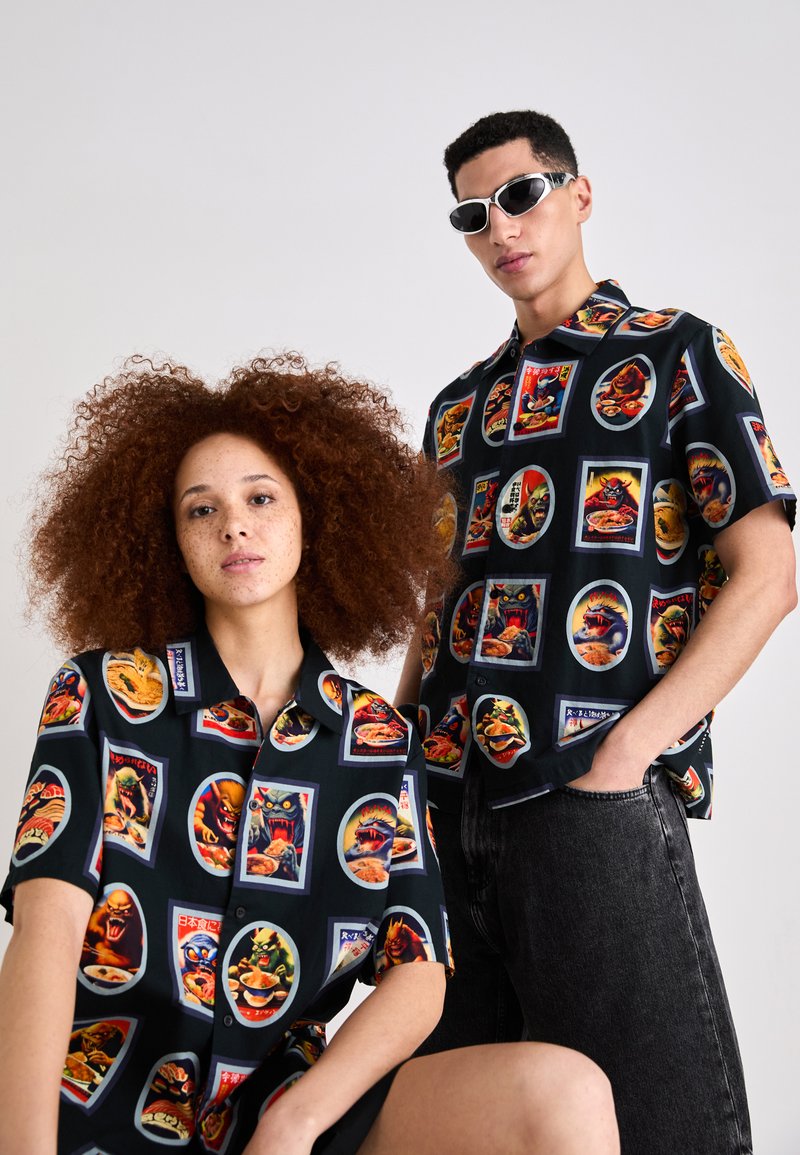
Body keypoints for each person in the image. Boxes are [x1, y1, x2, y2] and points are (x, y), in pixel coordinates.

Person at [0, 354, 620, 1155]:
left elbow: (418, 971)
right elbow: (45, 933)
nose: (234, 525)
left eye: (261, 498)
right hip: (106, 1112)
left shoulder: (378, 741)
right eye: (201, 509)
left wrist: (296, 1121)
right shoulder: (100, 697)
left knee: (569, 1091)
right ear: (169, 540)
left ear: (312, 517)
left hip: (287, 1110)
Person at [396, 110, 797, 1154]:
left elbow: (769, 571)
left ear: (578, 194)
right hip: (444, 811)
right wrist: (396, 768)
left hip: (585, 802)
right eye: (471, 215)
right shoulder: (455, 410)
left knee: (664, 1128)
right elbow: (434, 611)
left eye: (520, 195)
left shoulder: (676, 353)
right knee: (466, 1130)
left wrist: (626, 754)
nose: (499, 229)